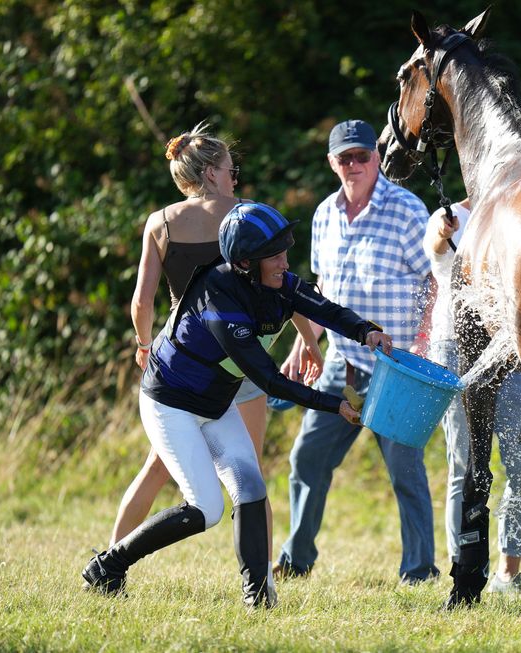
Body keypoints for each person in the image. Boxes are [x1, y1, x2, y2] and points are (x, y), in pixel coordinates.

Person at [82, 201, 390, 607]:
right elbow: (268, 379)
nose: (285, 261)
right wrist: (334, 406)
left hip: (214, 402)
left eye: (284, 251)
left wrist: (366, 331)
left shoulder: (275, 282)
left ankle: (258, 595)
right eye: (275, 255)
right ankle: (106, 566)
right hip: (170, 404)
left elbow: (324, 309)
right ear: (246, 262)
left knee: (251, 487)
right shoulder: (220, 302)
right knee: (206, 508)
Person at [112, 124, 322, 596]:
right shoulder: (248, 217)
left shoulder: (161, 223)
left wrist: (145, 346)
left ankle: (113, 561)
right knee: (248, 474)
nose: (236, 179)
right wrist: (308, 342)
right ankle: (261, 583)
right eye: (231, 170)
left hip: (181, 362)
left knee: (156, 470)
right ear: (210, 173)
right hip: (241, 360)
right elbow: (285, 286)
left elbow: (140, 304)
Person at [274, 119, 439, 584]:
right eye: (344, 158)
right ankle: (296, 558)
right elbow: (320, 291)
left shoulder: (407, 209)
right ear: (332, 163)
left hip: (398, 368)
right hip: (341, 363)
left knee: (405, 471)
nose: (354, 165)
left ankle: (420, 571)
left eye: (362, 156)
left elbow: (437, 280)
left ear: (377, 158)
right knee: (307, 458)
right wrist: (304, 342)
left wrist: (424, 344)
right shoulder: (324, 214)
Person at [424, 199, 521, 594]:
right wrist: (444, 235)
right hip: (457, 349)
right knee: (465, 467)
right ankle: (465, 568)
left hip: (514, 351)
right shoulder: (450, 214)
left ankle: (509, 574)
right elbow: (436, 249)